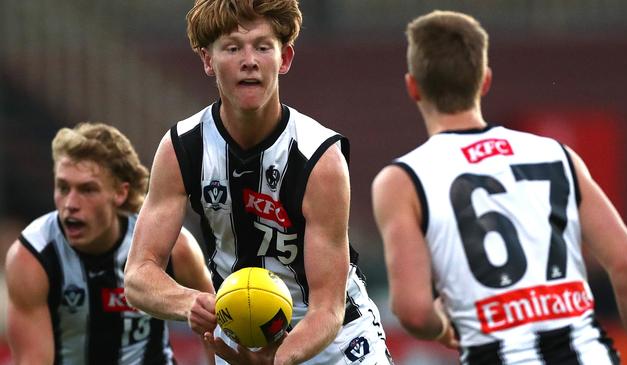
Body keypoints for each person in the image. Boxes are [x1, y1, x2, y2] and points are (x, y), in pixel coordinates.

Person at [371, 10, 627, 365]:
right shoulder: (555, 154)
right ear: (485, 81)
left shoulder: (402, 179)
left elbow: (413, 311)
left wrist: (442, 326)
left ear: (413, 87)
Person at [123, 1, 392, 364]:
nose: (249, 60)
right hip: (242, 342)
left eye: (263, 47)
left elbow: (327, 308)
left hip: (336, 343)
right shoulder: (181, 148)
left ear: (285, 58)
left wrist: (276, 361)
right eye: (232, 47)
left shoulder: (320, 158)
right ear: (207, 59)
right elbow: (139, 275)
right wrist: (191, 302)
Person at [4, 122, 214, 364]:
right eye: (63, 187)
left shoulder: (173, 247)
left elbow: (216, 330)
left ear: (120, 193)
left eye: (87, 190)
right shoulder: (33, 256)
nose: (70, 203)